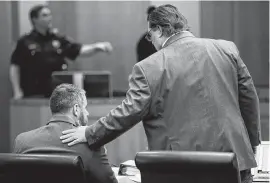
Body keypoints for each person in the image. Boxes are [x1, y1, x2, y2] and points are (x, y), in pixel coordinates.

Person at [60, 4, 261, 183]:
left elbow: (129, 112)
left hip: (182, 167)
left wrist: (89, 132)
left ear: (157, 30)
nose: (150, 41)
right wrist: (252, 144)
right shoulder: (227, 49)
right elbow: (249, 100)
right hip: (236, 159)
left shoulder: (148, 67)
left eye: (149, 35)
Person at [13, 83, 117, 183]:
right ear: (76, 109)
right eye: (85, 107)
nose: (87, 113)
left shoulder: (22, 141)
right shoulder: (91, 144)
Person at [10, 4, 113, 99]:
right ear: (35, 19)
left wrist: (97, 47)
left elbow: (79, 50)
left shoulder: (58, 39)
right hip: (34, 93)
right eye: (45, 15)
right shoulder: (25, 42)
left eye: (50, 15)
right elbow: (15, 67)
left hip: (58, 93)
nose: (49, 18)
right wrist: (17, 91)